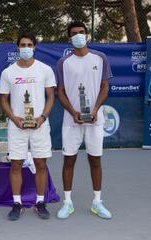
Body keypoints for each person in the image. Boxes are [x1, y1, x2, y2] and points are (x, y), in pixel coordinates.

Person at [56, 22, 113, 219]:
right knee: (69, 160)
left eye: (81, 33)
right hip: (71, 121)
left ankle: (97, 202)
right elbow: (60, 92)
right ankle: (67, 203)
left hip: (95, 121)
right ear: (69, 39)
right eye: (74, 34)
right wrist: (73, 112)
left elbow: (105, 86)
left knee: (95, 160)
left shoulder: (100, 58)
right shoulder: (63, 62)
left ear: (87, 35)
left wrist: (96, 109)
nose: (78, 36)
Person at [0, 33, 56, 220]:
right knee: (16, 164)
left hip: (39, 125)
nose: (26, 47)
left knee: (40, 163)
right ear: (17, 47)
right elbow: (3, 100)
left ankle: (40, 202)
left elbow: (51, 97)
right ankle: (17, 203)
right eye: (23, 45)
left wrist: (42, 117)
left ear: (35, 47)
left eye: (29, 44)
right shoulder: (8, 72)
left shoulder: (45, 69)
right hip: (17, 126)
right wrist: (14, 119)